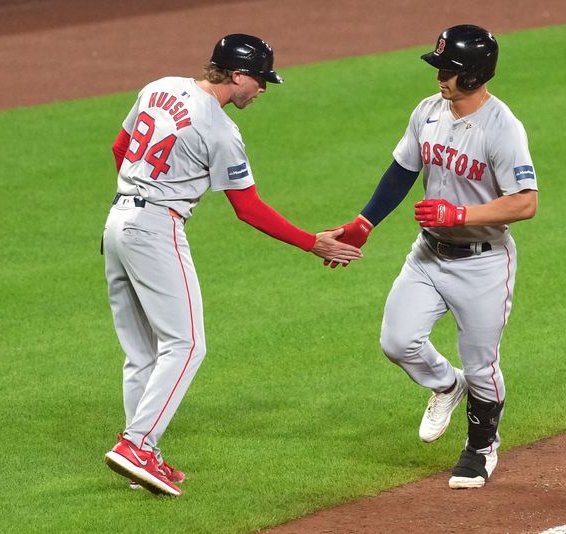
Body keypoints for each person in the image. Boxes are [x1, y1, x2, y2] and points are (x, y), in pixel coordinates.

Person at [102, 34, 363, 497]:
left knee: (142, 351)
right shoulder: (219, 129)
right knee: (186, 345)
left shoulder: (157, 87)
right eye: (260, 80)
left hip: (117, 220)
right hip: (155, 228)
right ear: (238, 75)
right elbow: (248, 208)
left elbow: (120, 147)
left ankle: (145, 454)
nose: (262, 89)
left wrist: (139, 195)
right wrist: (311, 243)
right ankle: (137, 444)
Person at [330, 24, 538, 489]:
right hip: (427, 255)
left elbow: (525, 202)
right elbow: (402, 171)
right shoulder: (428, 112)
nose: (440, 76)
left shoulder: (502, 128)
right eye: (440, 66)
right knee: (397, 341)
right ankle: (447, 384)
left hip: (483, 263)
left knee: (483, 365)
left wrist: (459, 212)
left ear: (475, 74)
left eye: (450, 69)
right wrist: (363, 224)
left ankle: (481, 448)